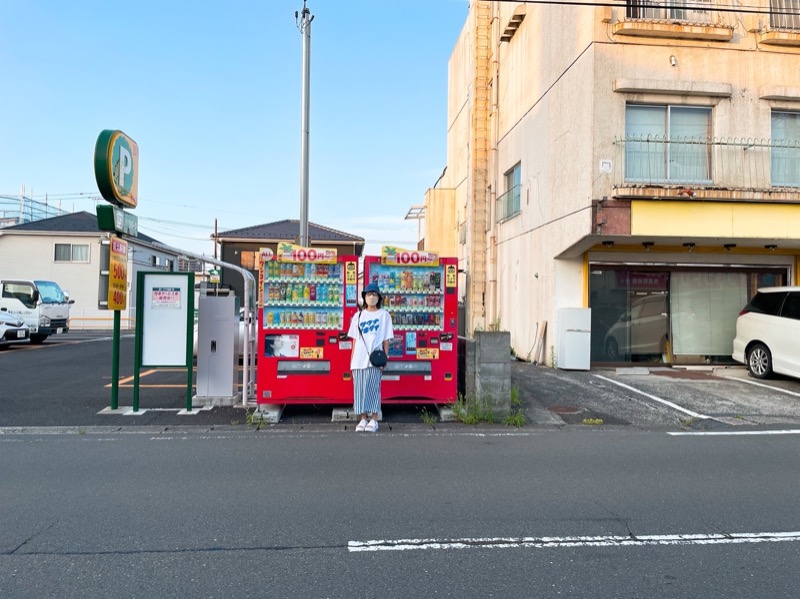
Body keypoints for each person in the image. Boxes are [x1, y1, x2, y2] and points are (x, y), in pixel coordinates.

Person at [347, 282, 393, 432]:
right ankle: (362, 419)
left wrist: (386, 356)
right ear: (364, 297)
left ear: (379, 297)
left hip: (375, 358)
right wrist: (352, 358)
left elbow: (386, 338)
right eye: (368, 294)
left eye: (374, 294)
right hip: (359, 358)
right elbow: (354, 339)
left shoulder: (384, 315)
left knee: (374, 389)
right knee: (359, 390)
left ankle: (374, 419)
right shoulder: (358, 315)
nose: (371, 297)